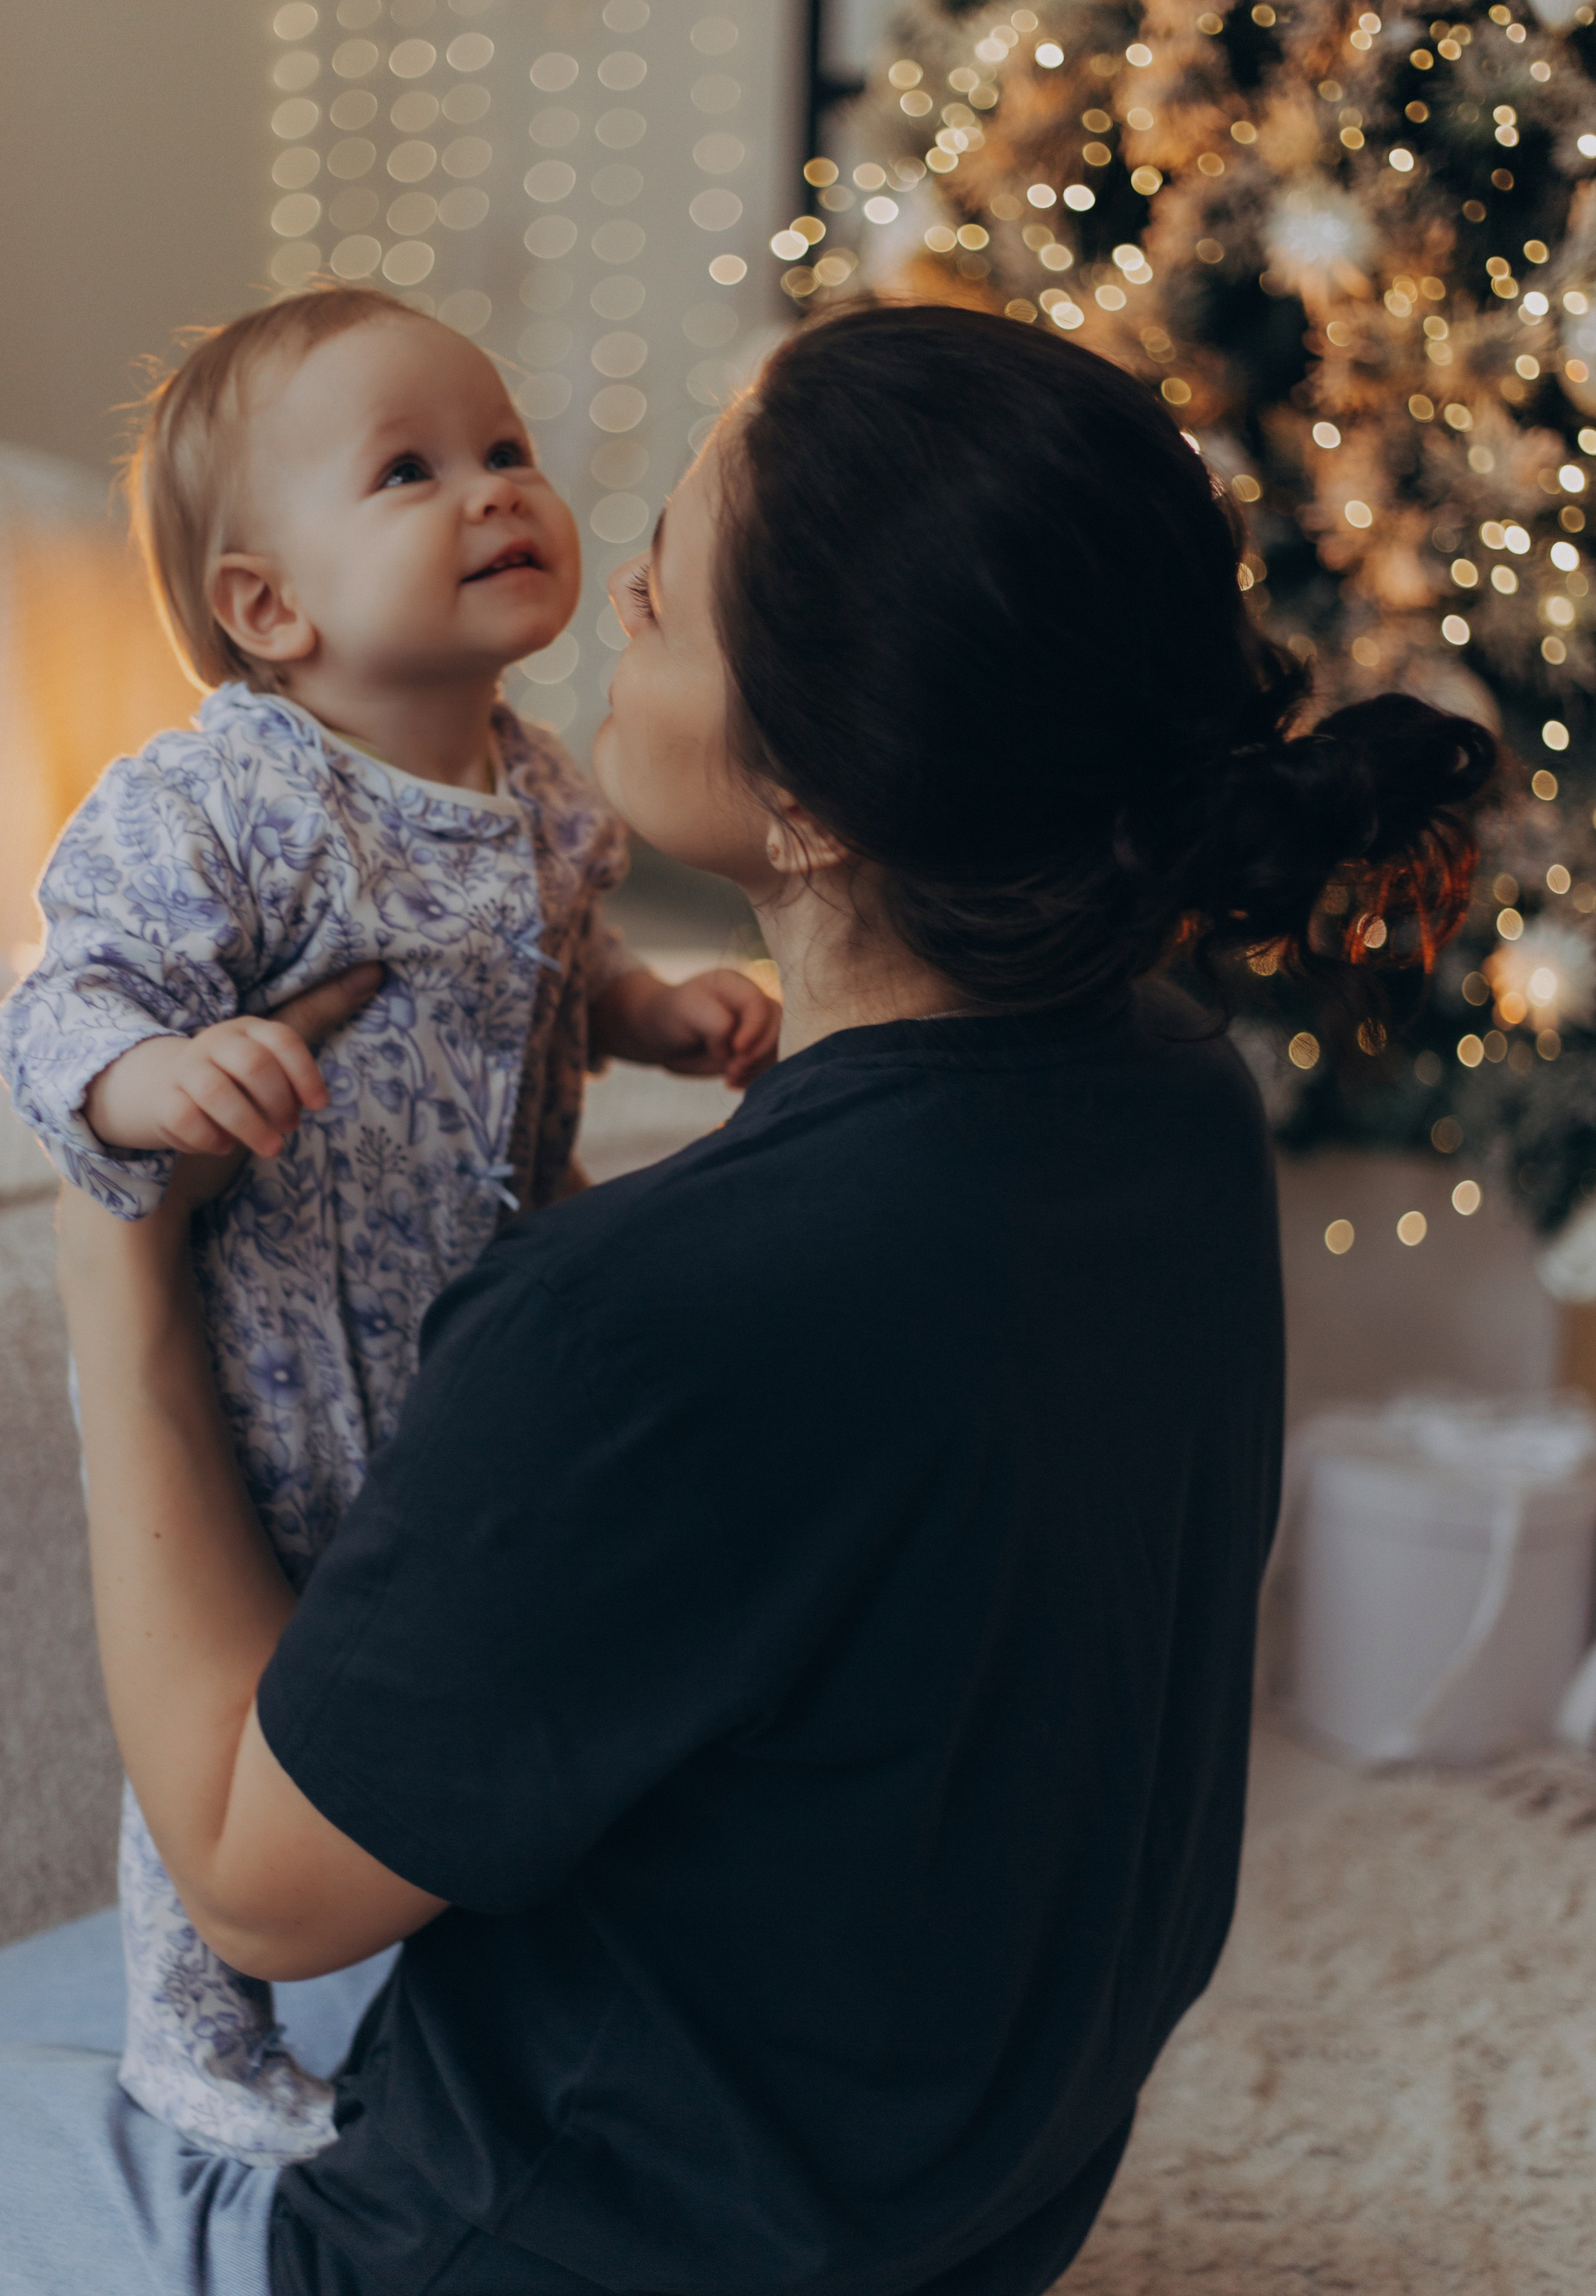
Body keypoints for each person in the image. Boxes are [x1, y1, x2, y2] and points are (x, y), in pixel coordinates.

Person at [0, 304, 1493, 2296]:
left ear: (814, 809)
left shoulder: (639, 1315)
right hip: (963, 2209)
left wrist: (118, 1243)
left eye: (667, 593)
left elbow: (258, 1891)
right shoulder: (1172, 1094)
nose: (606, 589)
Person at [0, 286, 777, 2166]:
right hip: (267, 1354)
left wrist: (653, 1012)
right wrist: (155, 1079)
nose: (494, 489)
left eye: (504, 449)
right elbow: (60, 1003)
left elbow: (560, 968)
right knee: (251, 1696)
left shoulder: (541, 789)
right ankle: (194, 2023)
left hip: (471, 1328)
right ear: (270, 607)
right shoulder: (224, 800)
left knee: (445, 1656)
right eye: (411, 471)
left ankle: (459, 1936)